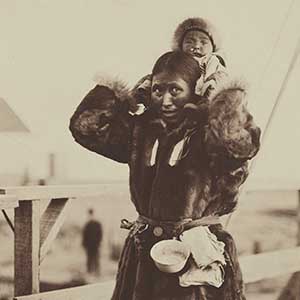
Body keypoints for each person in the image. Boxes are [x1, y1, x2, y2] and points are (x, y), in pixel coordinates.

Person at [70, 51, 260, 299]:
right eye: (158, 90)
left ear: (194, 90)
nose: (165, 100)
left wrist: (224, 100)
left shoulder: (208, 134)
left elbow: (240, 145)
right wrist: (127, 98)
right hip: (144, 255)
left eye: (175, 90)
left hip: (196, 255)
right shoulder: (141, 130)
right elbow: (86, 128)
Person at [131, 17, 228, 111]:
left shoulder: (211, 61)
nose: (196, 46)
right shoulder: (174, 61)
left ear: (213, 47)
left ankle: (199, 110)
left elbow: (218, 76)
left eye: (203, 42)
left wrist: (211, 88)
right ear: (180, 45)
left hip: (202, 92)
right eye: (189, 42)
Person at [82, 208, 103, 275]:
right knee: (90, 258)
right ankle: (90, 272)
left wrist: (99, 242)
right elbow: (85, 235)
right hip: (91, 245)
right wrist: (84, 244)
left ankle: (96, 272)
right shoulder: (88, 224)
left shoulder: (95, 224)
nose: (90, 215)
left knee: (95, 258)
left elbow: (100, 234)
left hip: (94, 244)